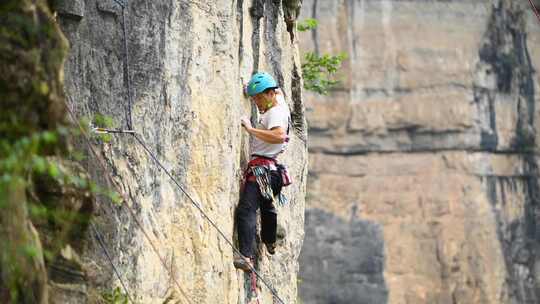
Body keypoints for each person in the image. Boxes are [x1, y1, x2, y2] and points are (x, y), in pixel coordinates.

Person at [234, 72, 291, 272]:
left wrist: (250, 129)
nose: (256, 102)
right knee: (267, 205)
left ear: (270, 94)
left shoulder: (275, 113)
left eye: (259, 97)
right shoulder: (280, 104)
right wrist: (249, 86)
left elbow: (279, 135)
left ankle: (246, 257)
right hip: (273, 172)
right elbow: (278, 90)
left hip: (262, 171)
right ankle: (269, 240)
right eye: (253, 98)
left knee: (246, 209)